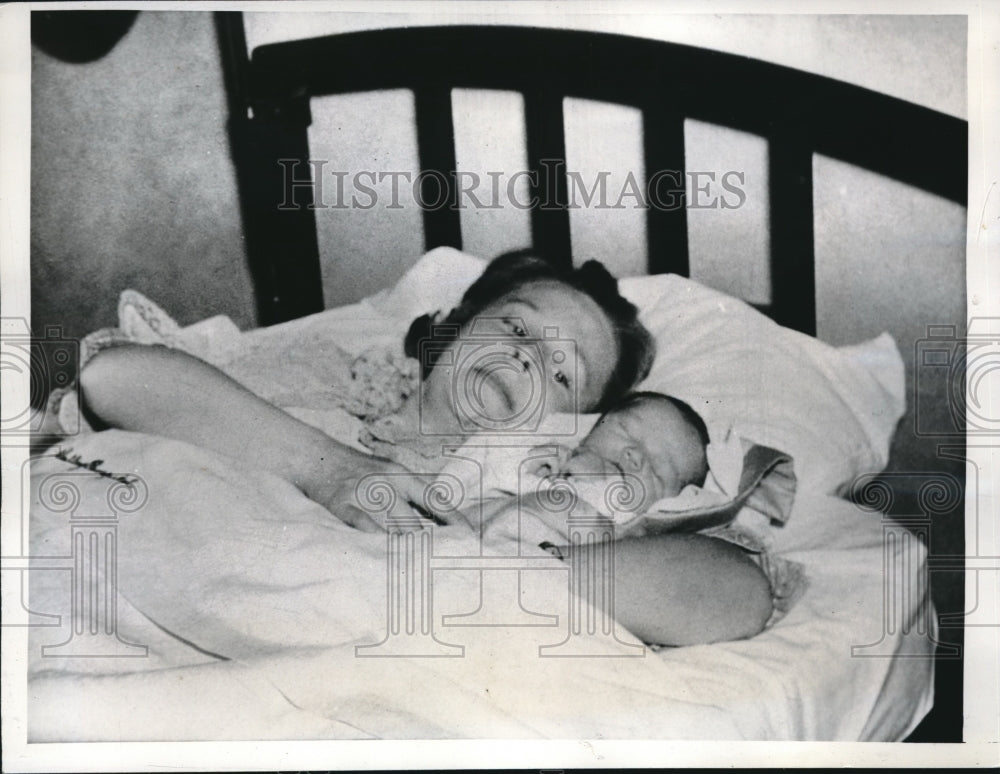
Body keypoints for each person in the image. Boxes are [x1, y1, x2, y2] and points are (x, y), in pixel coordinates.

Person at [78, 249, 773, 644]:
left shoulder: (534, 500)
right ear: (450, 329)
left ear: (575, 426)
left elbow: (738, 595)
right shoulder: (327, 373)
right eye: (518, 329)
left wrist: (507, 560)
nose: (528, 360)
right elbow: (114, 378)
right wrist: (333, 471)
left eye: (565, 374)